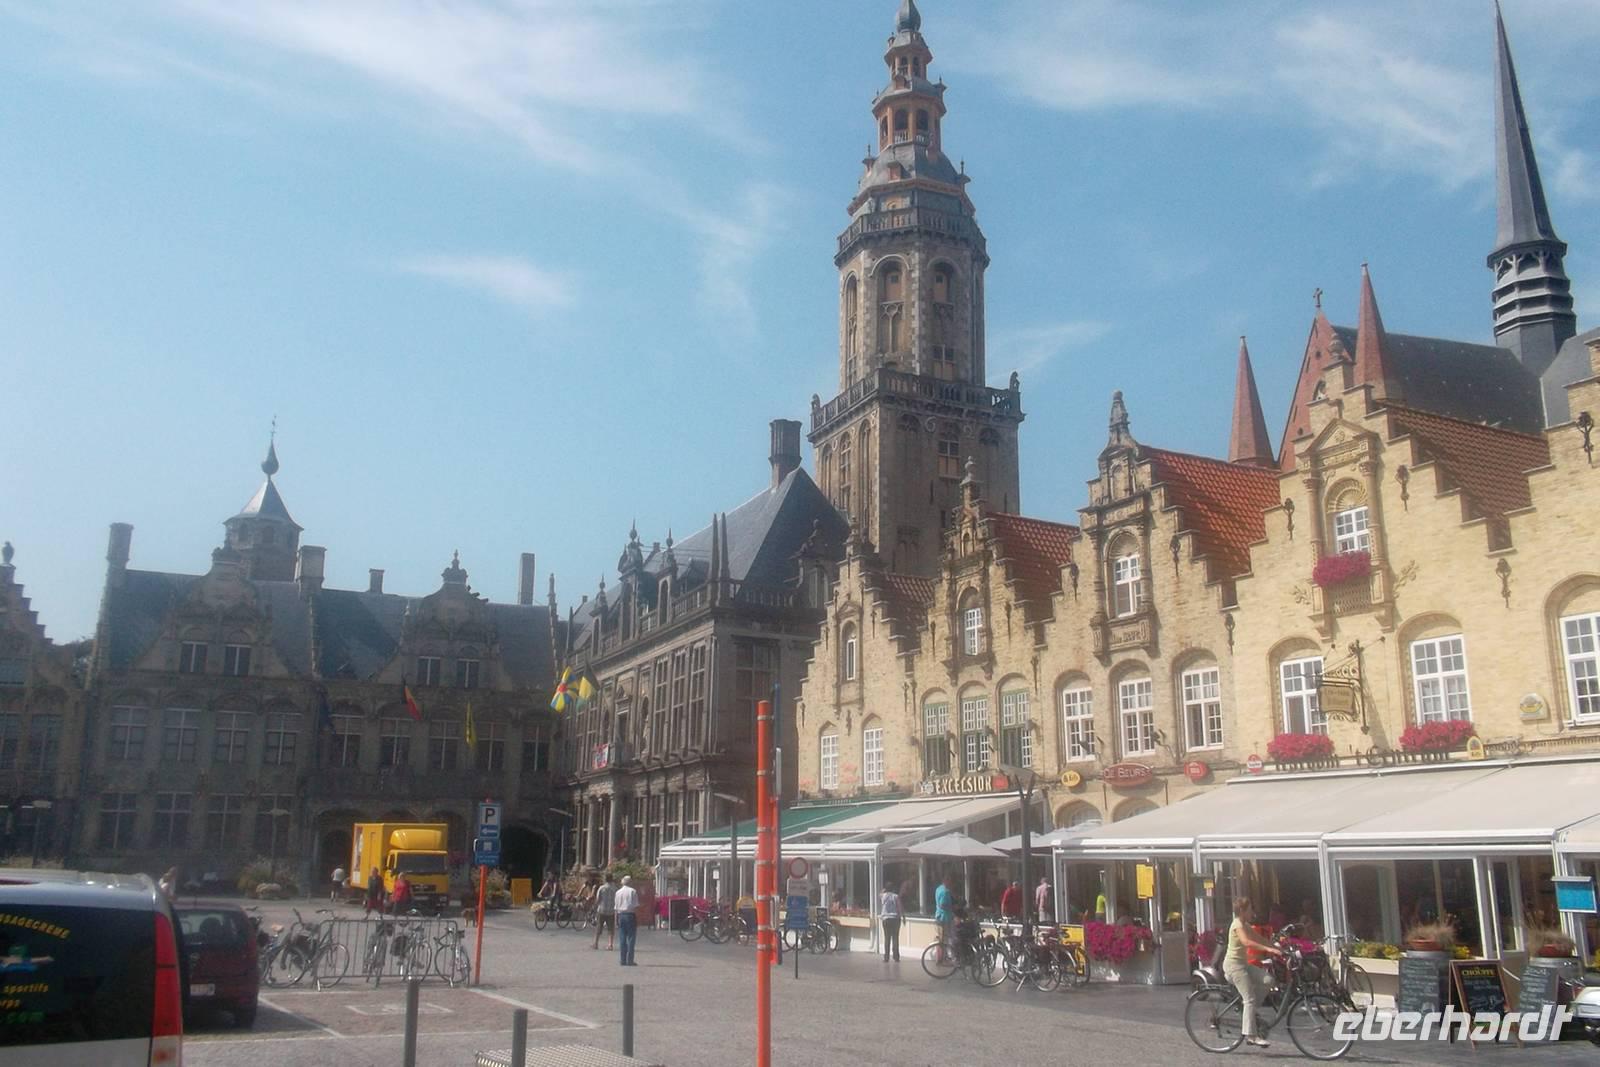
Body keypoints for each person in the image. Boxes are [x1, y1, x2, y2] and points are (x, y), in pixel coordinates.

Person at [1224, 898, 1283, 1048]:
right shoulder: (1237, 924)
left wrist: (1278, 948)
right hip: (1234, 966)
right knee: (1249, 998)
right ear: (1242, 911)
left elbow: (1259, 939)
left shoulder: (1245, 925)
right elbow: (1247, 942)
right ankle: (1251, 1036)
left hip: (1243, 965)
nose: (1253, 913)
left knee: (1268, 980)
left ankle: (1250, 1013)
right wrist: (1268, 949)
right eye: (1250, 909)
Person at [614, 875, 640, 966]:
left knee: (622, 938)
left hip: (621, 915)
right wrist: (637, 918)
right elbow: (635, 906)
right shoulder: (633, 891)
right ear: (630, 882)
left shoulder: (618, 892)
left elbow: (616, 907)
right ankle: (630, 959)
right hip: (630, 915)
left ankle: (622, 959)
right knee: (631, 938)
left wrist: (616, 919)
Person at [593, 874, 618, 951]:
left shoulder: (602, 888)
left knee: (599, 926)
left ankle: (596, 943)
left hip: (602, 910)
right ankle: (610, 944)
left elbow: (598, 899)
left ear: (605, 879)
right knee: (610, 928)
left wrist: (595, 907)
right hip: (611, 910)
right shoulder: (615, 889)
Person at [880, 881, 903, 962]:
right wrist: (902, 916)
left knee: (887, 938)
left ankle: (886, 957)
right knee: (895, 937)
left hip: (886, 918)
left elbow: (880, 893)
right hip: (895, 918)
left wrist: (884, 890)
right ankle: (896, 956)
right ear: (893, 888)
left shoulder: (883, 896)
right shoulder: (895, 896)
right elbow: (899, 907)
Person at [934, 875, 956, 961]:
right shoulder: (945, 892)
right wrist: (952, 907)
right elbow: (942, 904)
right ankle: (942, 958)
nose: (951, 884)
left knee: (941, 938)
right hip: (944, 917)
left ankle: (940, 957)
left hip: (938, 916)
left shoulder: (938, 889)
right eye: (950, 882)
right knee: (945, 938)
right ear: (947, 881)